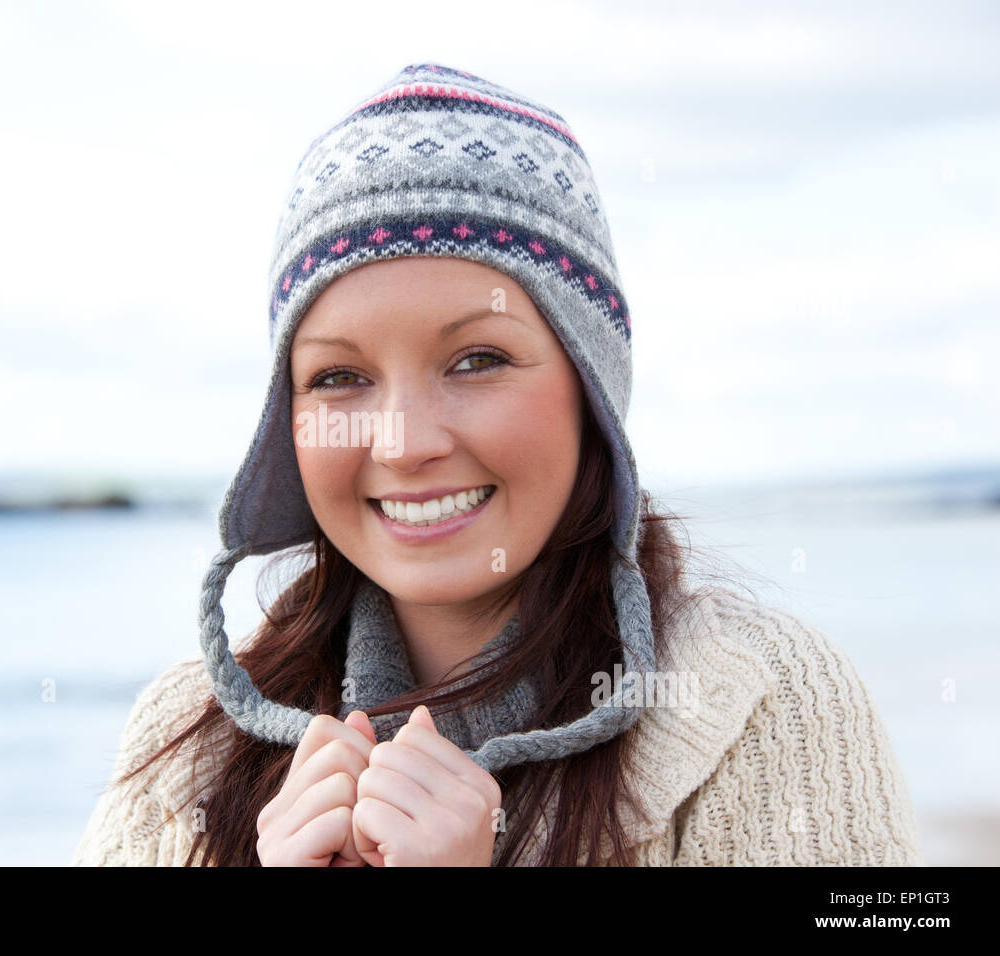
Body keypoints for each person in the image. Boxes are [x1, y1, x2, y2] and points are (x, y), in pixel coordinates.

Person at [72, 63, 921, 866]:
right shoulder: (182, 742)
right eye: (338, 377)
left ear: (590, 388)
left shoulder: (758, 703)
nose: (404, 443)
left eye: (476, 360)